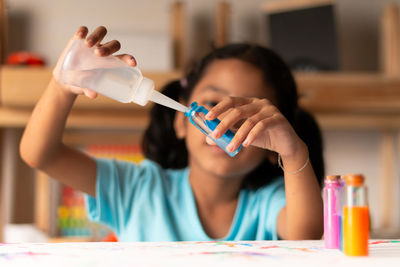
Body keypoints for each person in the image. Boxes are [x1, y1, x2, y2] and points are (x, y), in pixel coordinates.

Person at [20, 26, 324, 241]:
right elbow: (40, 154)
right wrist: (62, 86)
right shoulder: (136, 190)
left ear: (271, 146)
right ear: (181, 122)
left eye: (247, 115)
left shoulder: (269, 203)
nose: (223, 123)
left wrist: (293, 151)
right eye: (211, 104)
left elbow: (307, 234)